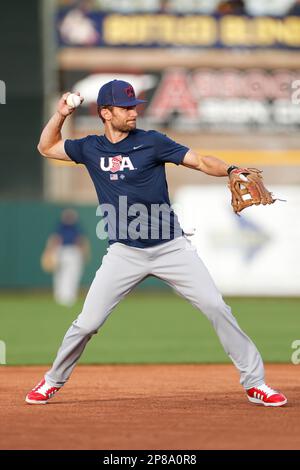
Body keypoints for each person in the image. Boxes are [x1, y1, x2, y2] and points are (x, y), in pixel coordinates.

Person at [26, 79, 287, 407]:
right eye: (124, 108)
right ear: (105, 113)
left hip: (171, 248)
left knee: (216, 307)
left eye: (134, 107)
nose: (132, 113)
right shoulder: (90, 148)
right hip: (124, 252)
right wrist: (61, 114)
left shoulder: (152, 142)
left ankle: (256, 383)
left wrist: (231, 168)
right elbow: (47, 147)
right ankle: (52, 380)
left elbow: (202, 161)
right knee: (87, 323)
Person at [41, 208, 90, 307]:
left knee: (62, 275)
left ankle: (62, 297)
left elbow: (54, 240)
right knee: (70, 275)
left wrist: (49, 251)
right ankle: (67, 298)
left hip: (62, 252)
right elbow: (80, 241)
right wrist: (85, 253)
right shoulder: (73, 227)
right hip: (70, 252)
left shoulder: (61, 226)